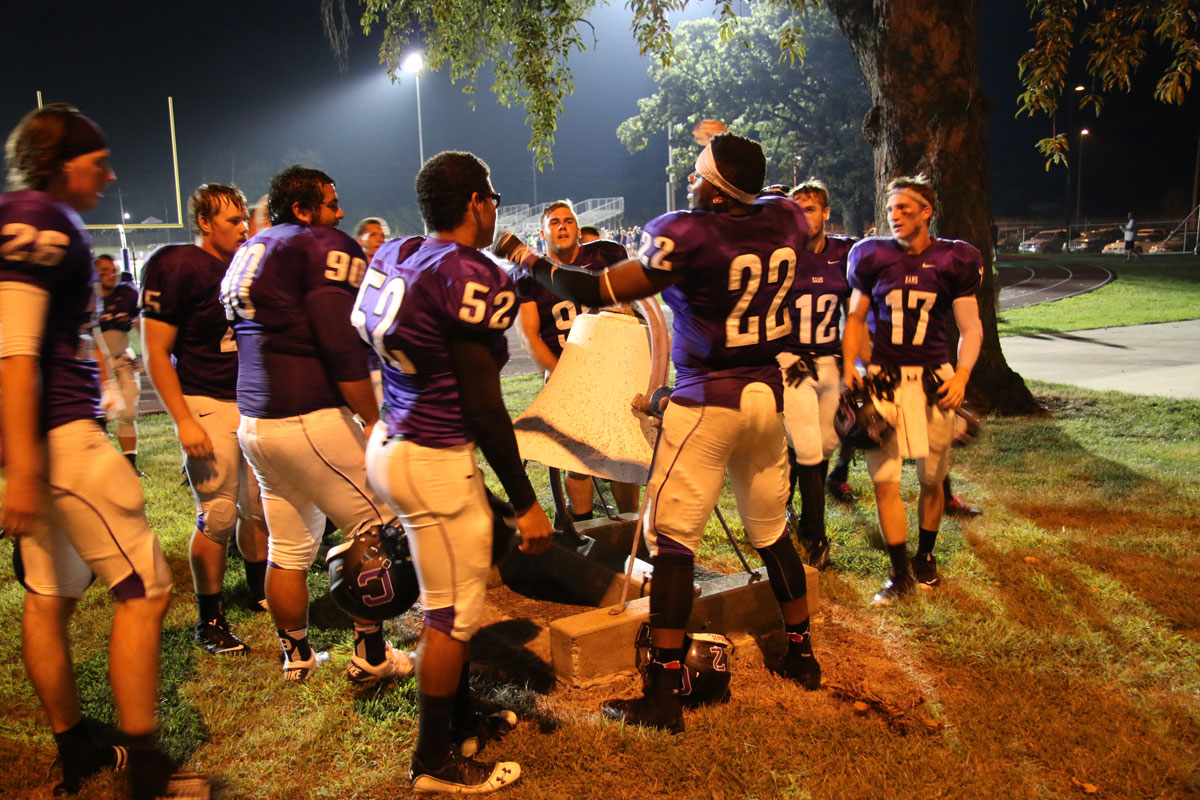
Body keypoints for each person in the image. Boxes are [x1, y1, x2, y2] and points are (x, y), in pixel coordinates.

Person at [494, 131, 823, 733]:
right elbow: (765, 194)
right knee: (772, 534)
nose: (691, 184)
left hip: (707, 403)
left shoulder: (689, 232)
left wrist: (531, 262)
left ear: (719, 195)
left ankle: (665, 693)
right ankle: (803, 654)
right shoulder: (784, 217)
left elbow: (593, 289)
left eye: (699, 176)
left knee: (672, 545)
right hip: (763, 397)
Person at [1, 103, 206, 798]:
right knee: (145, 590)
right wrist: (26, 468)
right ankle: (146, 770)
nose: (109, 175)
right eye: (97, 163)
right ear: (61, 165)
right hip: (58, 439)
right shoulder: (42, 220)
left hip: (34, 441)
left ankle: (78, 752)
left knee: (47, 599)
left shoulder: (18, 216)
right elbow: (14, 349)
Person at [357, 151, 552, 793]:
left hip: (393, 434)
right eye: (491, 194)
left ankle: (462, 719)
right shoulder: (469, 274)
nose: (496, 205)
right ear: (474, 202)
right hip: (433, 454)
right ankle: (433, 760)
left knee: (451, 592)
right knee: (451, 612)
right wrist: (524, 500)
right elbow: (484, 405)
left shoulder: (398, 253)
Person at [220, 165, 413, 685]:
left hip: (256, 424)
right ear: (304, 210)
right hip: (305, 416)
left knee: (288, 547)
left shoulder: (250, 248)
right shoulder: (320, 246)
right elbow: (338, 344)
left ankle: (296, 656)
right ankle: (372, 655)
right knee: (376, 525)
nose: (341, 213)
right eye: (331, 203)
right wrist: (374, 418)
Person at [140, 183, 271, 656]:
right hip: (205, 402)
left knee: (257, 506)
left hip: (250, 402)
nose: (242, 228)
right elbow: (155, 352)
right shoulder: (176, 265)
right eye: (232, 220)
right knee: (217, 513)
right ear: (204, 222)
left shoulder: (244, 265)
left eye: (243, 219)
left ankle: (259, 592)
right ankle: (208, 618)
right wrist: (182, 419)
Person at [841, 174, 983, 605]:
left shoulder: (954, 259)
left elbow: (971, 326)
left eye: (904, 207)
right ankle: (899, 572)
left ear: (926, 210)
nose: (895, 215)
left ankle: (925, 555)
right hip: (884, 377)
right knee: (884, 480)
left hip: (933, 380)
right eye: (890, 209)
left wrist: (961, 377)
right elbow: (855, 318)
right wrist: (851, 365)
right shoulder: (871, 256)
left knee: (931, 479)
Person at [513, 200, 639, 519]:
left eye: (568, 220)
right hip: (566, 371)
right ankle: (581, 524)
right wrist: (562, 375)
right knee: (577, 459)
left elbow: (631, 308)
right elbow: (529, 335)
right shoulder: (530, 274)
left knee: (621, 455)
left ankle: (628, 526)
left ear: (579, 231)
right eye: (554, 222)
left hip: (612, 369)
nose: (563, 226)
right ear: (543, 234)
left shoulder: (606, 255)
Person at [779, 180, 853, 570]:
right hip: (793, 359)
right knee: (809, 445)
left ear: (826, 213)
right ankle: (816, 534)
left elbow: (857, 314)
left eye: (811, 208)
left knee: (823, 444)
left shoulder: (845, 252)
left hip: (829, 360)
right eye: (798, 209)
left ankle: (791, 499)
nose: (804, 216)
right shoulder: (781, 253)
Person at [95, 253, 143, 475]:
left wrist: (144, 354)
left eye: (112, 269)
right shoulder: (87, 295)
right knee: (97, 417)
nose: (110, 275)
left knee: (128, 412)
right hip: (95, 363)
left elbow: (142, 322)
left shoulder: (127, 293)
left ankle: (130, 465)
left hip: (122, 358)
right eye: (104, 270)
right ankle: (99, 466)